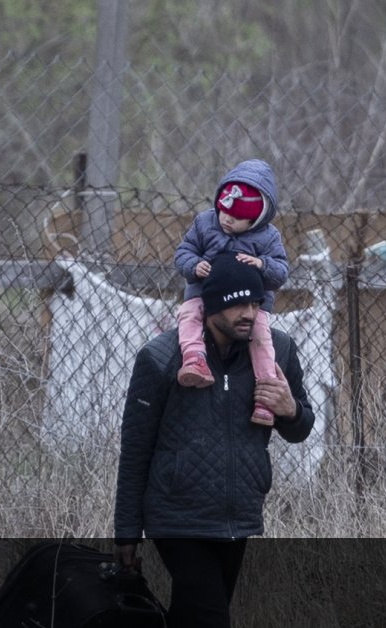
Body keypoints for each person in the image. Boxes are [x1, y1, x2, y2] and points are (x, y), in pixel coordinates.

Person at [113, 255, 315, 628]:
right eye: (238, 303)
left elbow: (299, 430)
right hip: (176, 517)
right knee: (211, 618)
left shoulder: (277, 352)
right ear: (210, 305)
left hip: (239, 516)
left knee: (194, 615)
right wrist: (127, 531)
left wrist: (291, 410)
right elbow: (136, 448)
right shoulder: (161, 357)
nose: (249, 314)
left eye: (255, 303)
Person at [173, 158, 289, 425]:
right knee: (188, 315)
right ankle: (194, 359)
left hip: (250, 304)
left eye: (236, 218)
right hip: (202, 293)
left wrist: (263, 264)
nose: (226, 219)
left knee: (261, 338)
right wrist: (193, 265)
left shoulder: (268, 237)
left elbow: (281, 272)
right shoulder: (205, 223)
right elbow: (183, 253)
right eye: (224, 211)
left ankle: (265, 395)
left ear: (256, 219)